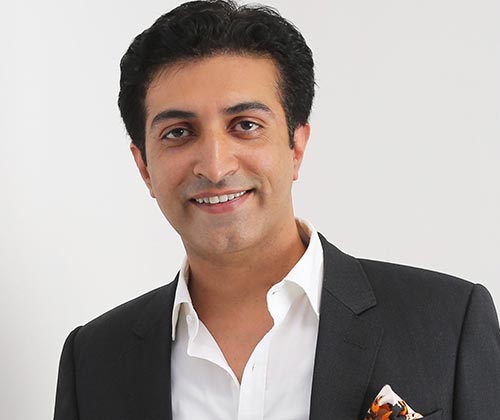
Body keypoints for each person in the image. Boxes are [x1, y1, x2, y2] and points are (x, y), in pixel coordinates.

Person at [53, 1, 500, 419]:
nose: (215, 166)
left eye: (245, 125)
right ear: (144, 168)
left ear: (296, 146)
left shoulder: (448, 324)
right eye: (178, 132)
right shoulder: (93, 361)